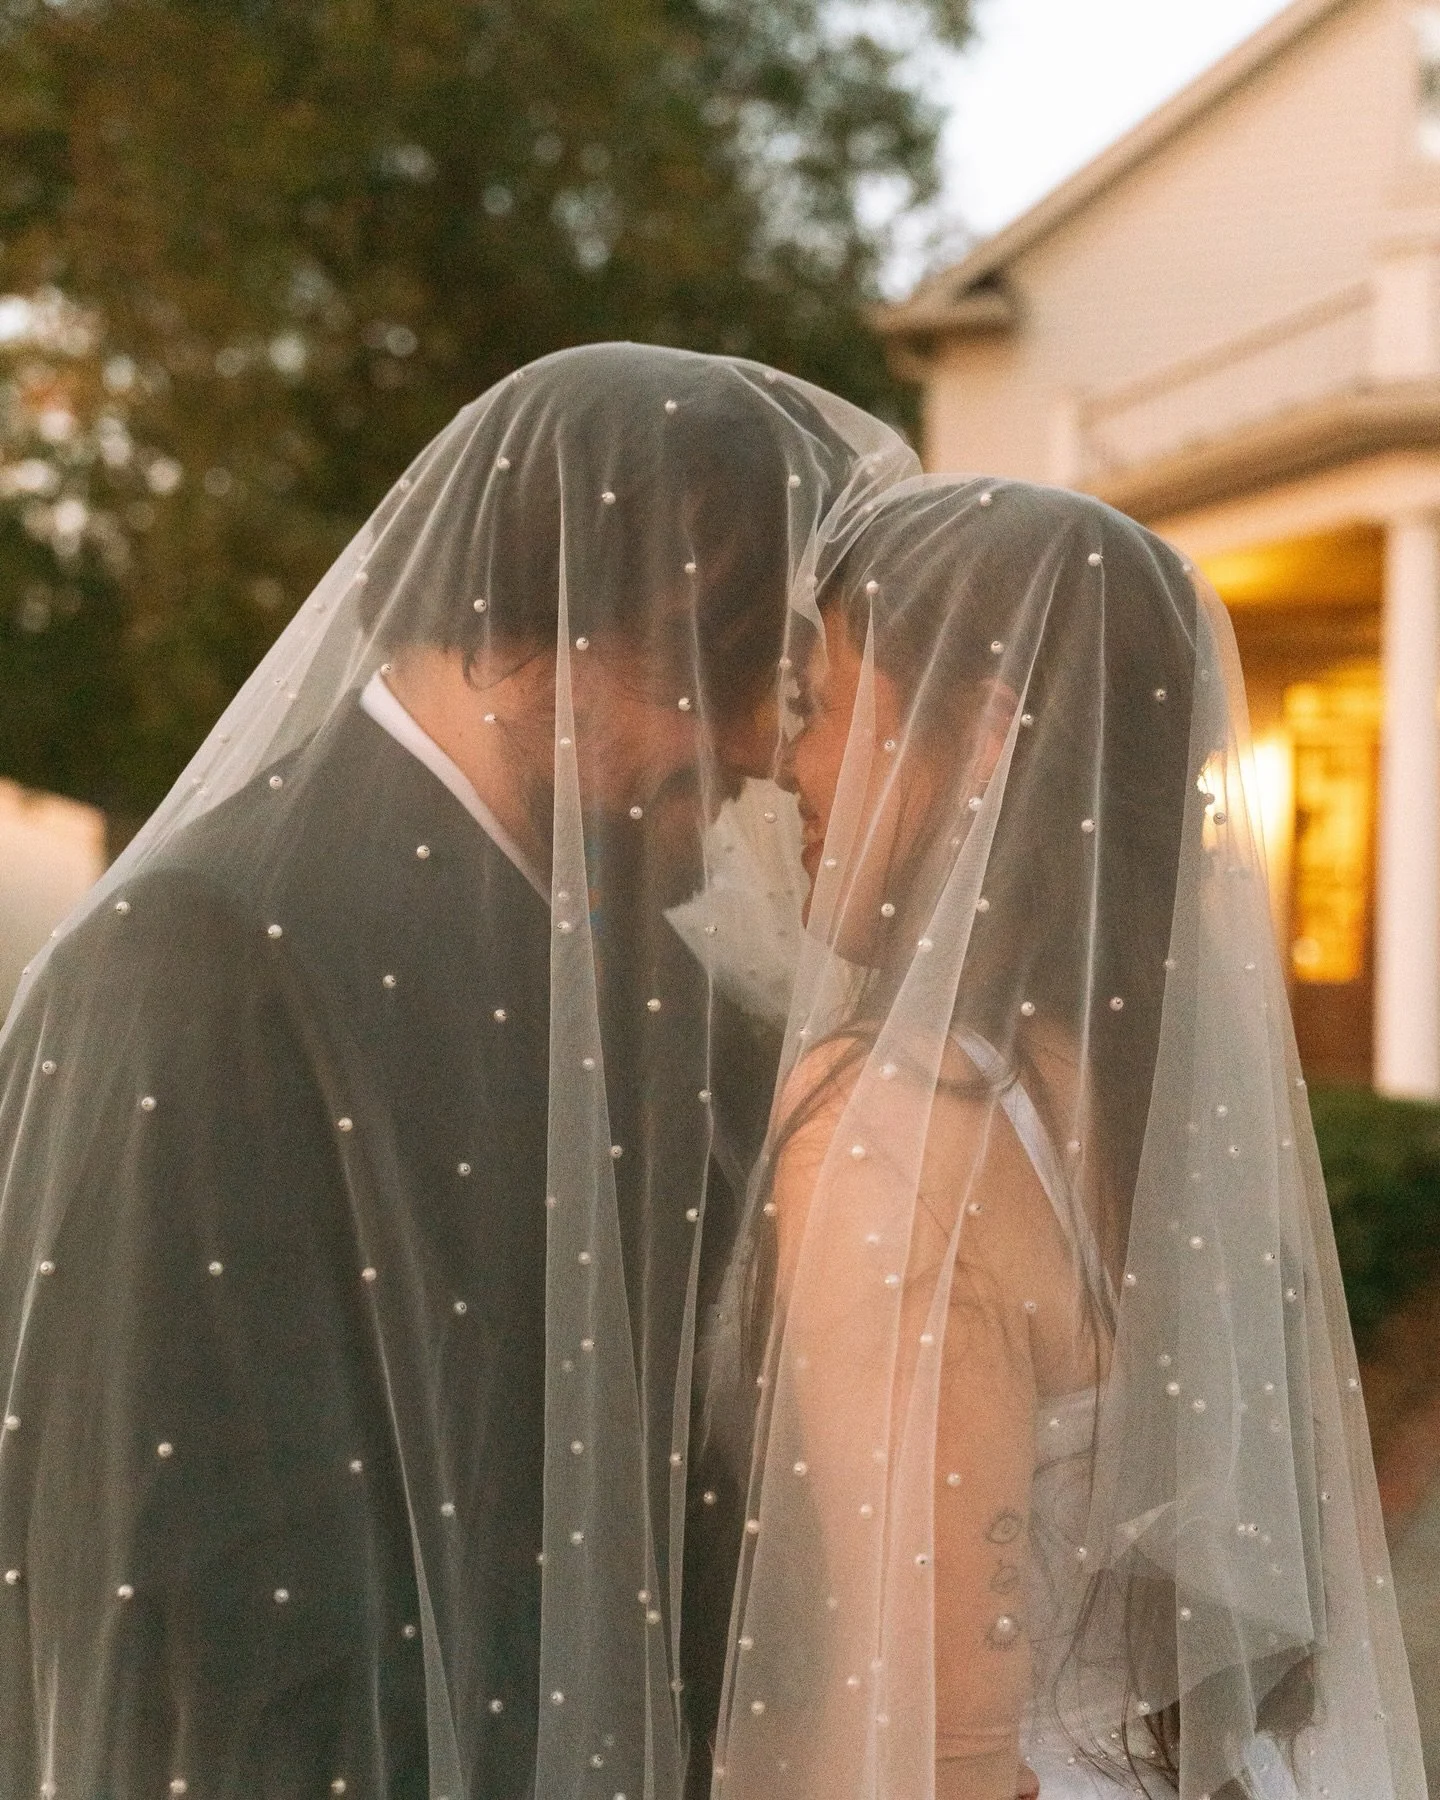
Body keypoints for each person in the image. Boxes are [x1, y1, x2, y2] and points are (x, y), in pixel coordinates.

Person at [0, 343, 915, 1798]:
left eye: (777, 687)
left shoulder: (695, 1005)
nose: (756, 746)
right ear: (516, 634)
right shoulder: (200, 961)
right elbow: (176, 1589)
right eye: (717, 670)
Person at [704, 479, 1426, 1800]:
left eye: (827, 706)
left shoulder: (899, 1133)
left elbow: (938, 1741)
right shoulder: (1143, 1080)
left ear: (980, 736)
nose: (789, 764)